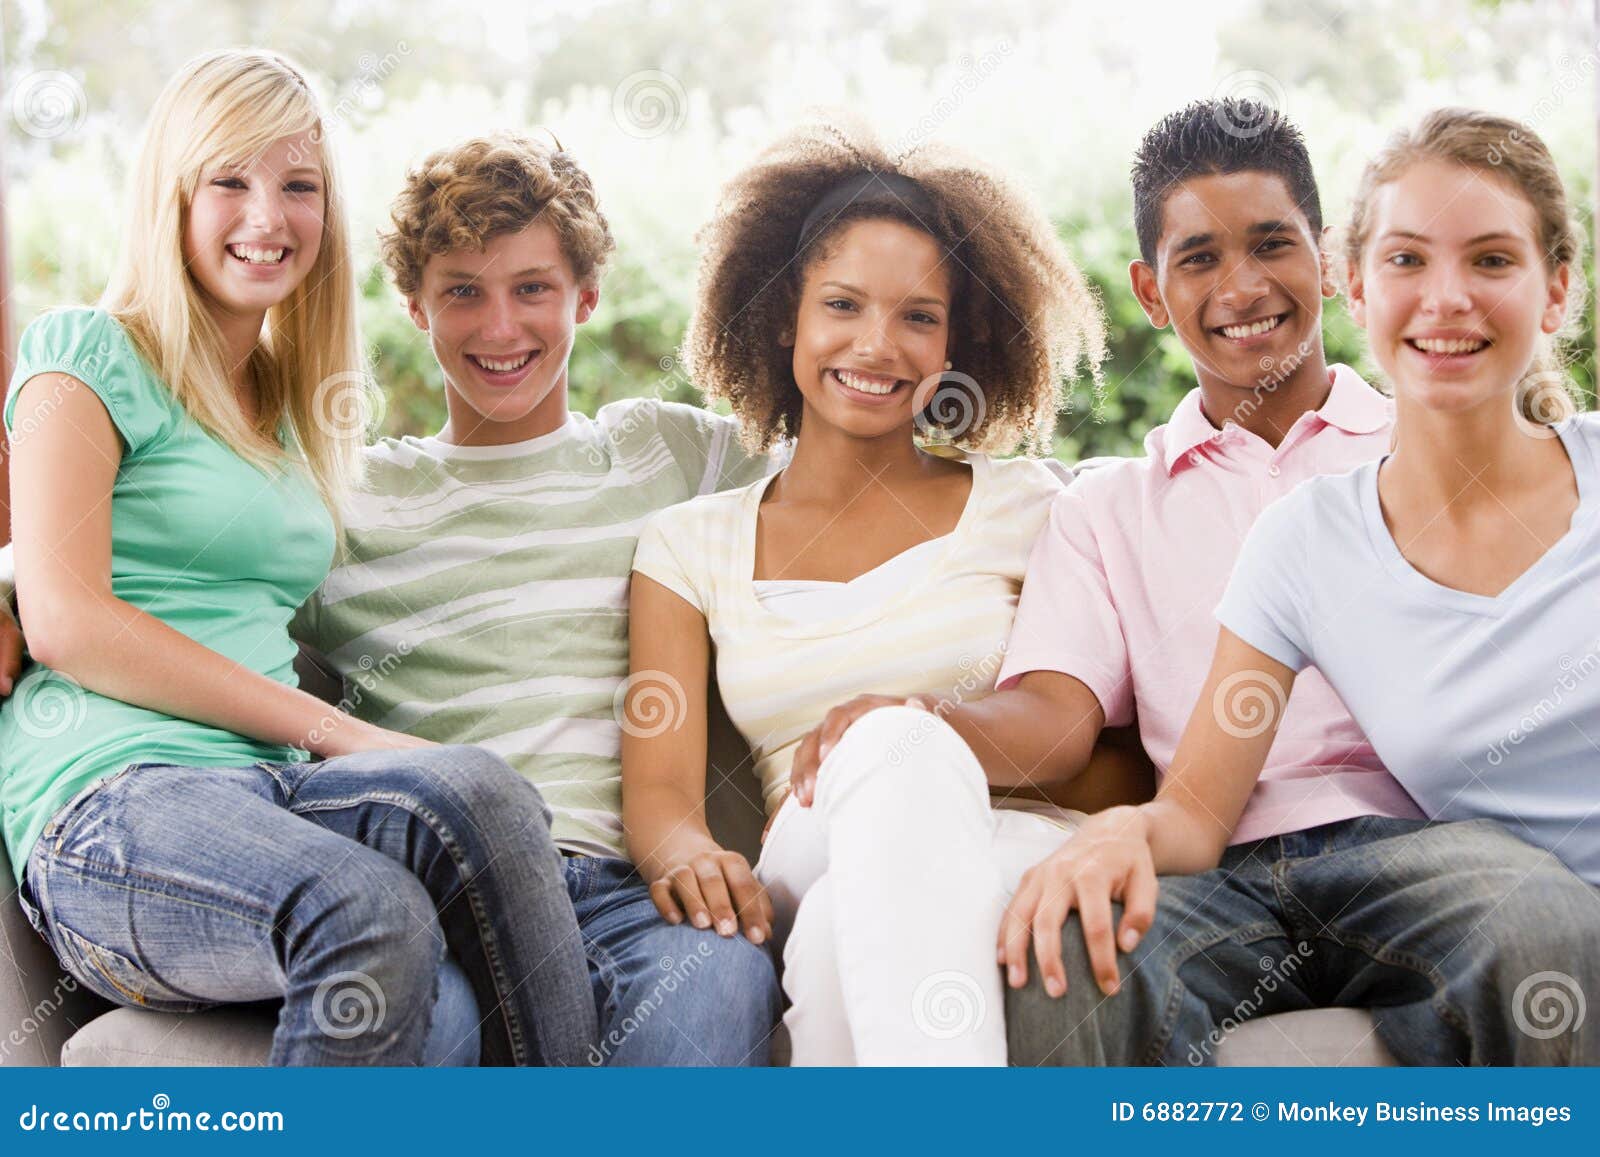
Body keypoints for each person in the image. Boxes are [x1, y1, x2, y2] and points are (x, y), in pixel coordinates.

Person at [0, 50, 595, 1066]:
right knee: (369, 909)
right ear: (172, 194)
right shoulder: (87, 352)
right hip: (116, 803)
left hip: (268, 794)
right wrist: (340, 734)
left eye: (299, 186)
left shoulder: (285, 403)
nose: (267, 216)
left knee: (489, 794)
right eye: (229, 179)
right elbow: (65, 614)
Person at [1002, 107, 1600, 1065]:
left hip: (1416, 849)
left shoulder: (1434, 430)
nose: (1241, 285)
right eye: (1199, 258)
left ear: (1330, 267)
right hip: (1222, 869)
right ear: (1151, 292)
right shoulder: (1128, 509)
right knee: (1074, 957)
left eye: (1272, 244)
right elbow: (1151, 783)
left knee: (1541, 931)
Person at [625, 118, 1140, 1065]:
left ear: (957, 339)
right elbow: (660, 799)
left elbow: (1115, 762)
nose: (877, 345)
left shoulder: (1030, 506)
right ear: (787, 317)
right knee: (888, 747)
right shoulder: (689, 544)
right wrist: (693, 862)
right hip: (806, 841)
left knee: (831, 943)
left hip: (1014, 842)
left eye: (917, 316)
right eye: (844, 305)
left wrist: (929, 741)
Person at [287, 131, 785, 1065]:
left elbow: (863, 470)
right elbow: (174, 564)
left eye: (532, 288)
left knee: (724, 978)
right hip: (440, 893)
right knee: (409, 1021)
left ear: (586, 297)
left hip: (634, 890)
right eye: (463, 292)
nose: (500, 327)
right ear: (415, 305)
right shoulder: (348, 498)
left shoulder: (666, 454)